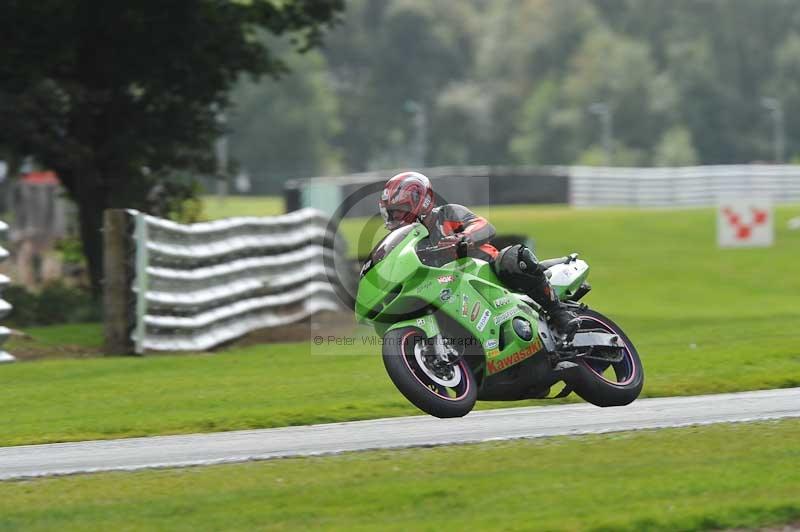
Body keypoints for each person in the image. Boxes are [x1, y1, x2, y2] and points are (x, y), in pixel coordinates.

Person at [378, 171, 580, 340]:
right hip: (456, 293)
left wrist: (463, 239)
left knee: (513, 256)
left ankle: (559, 313)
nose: (394, 219)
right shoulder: (409, 243)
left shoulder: (447, 214)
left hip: (491, 271)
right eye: (390, 214)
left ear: (421, 201)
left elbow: (484, 226)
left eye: (399, 212)